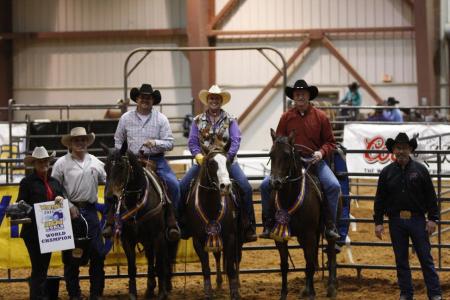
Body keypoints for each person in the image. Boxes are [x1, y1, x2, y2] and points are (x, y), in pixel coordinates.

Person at [260, 79, 341, 240]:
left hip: (314, 161)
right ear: (294, 97)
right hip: (290, 163)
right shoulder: (286, 117)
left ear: (309, 96)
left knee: (333, 185)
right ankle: (269, 224)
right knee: (264, 185)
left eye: (303, 94)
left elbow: (331, 142)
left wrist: (321, 152)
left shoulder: (321, 117)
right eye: (297, 94)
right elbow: (279, 141)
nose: (300, 97)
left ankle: (330, 225)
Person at [179, 84, 257, 242]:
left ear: (221, 101)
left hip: (227, 162)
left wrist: (228, 157)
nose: (214, 101)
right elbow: (193, 142)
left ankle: (248, 225)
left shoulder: (231, 120)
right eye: (211, 98)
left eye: (217, 98)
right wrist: (198, 156)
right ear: (207, 101)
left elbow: (236, 140)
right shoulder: (197, 120)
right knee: (182, 186)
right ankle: (183, 223)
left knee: (246, 188)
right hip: (204, 163)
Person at [374, 132, 442, 300]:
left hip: (418, 219)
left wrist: (432, 219)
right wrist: (378, 222)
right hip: (395, 220)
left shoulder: (421, 170)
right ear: (393, 150)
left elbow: (431, 197)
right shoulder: (386, 172)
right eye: (398, 148)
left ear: (410, 149)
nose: (401, 151)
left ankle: (434, 294)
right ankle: (406, 293)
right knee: (401, 260)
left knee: (425, 258)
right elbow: (380, 198)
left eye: (404, 148)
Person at [113, 83, 180, 240]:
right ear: (137, 98)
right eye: (142, 97)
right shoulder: (125, 118)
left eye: (148, 98)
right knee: (113, 186)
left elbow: (170, 143)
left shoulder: (161, 119)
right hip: (130, 160)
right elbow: (118, 140)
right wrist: (122, 156)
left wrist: (156, 143)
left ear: (153, 100)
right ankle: (112, 222)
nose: (145, 100)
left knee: (174, 185)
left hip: (155, 160)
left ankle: (172, 221)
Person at [51, 127, 106, 300]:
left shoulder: (97, 162)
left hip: (90, 210)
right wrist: (67, 205)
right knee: (71, 257)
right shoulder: (61, 163)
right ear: (71, 144)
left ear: (87, 142)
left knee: (97, 253)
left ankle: (95, 293)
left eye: (83, 140)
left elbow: (108, 181)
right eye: (77, 140)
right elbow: (54, 191)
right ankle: (74, 294)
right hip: (70, 213)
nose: (80, 143)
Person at [17, 146, 64, 300]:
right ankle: (38, 296)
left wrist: (60, 199)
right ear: (34, 164)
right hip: (32, 232)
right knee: (39, 267)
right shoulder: (27, 182)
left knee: (42, 267)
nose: (44, 163)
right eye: (40, 161)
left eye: (46, 161)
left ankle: (39, 296)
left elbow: (61, 199)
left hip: (48, 231)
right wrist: (36, 213)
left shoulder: (54, 182)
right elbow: (20, 204)